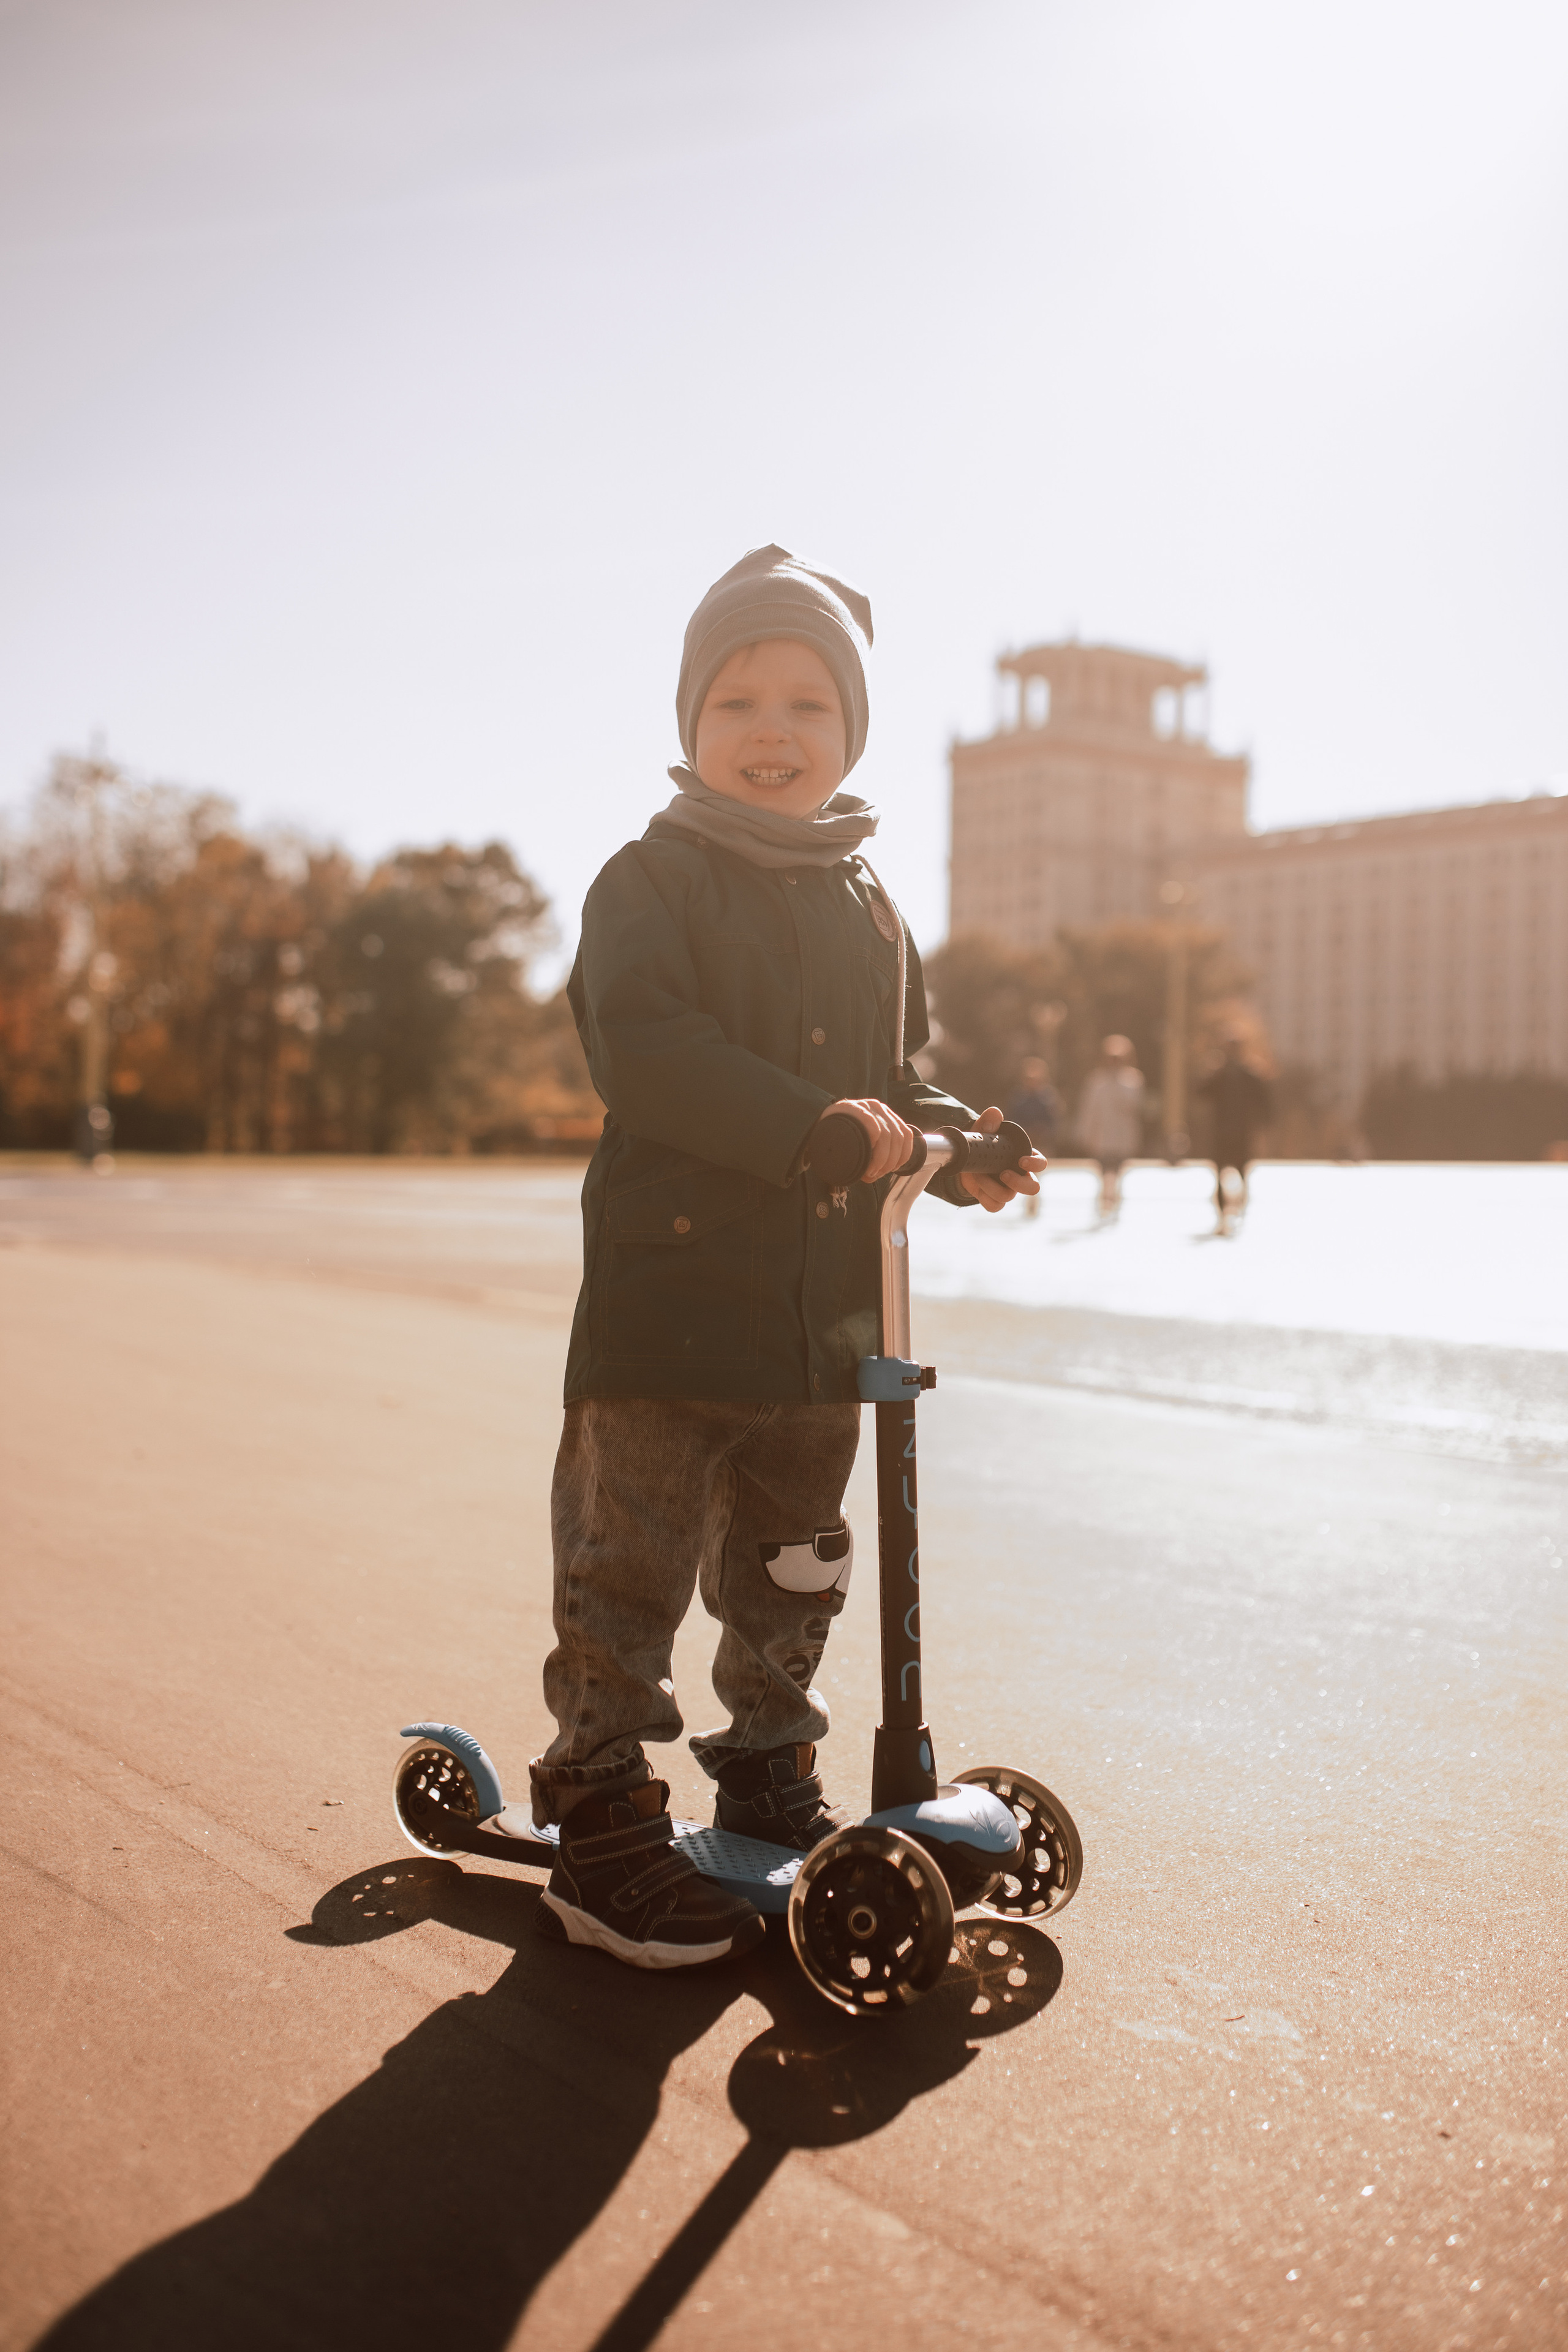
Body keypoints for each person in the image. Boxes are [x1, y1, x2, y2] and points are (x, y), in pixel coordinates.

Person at [518, 545, 1043, 1972]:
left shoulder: (868, 904)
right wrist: (806, 1125)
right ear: (690, 721)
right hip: (670, 1315)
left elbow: (896, 1082)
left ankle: (765, 1765)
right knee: (627, 1566)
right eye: (737, 700)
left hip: (822, 1325)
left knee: (794, 1567)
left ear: (851, 732)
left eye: (809, 704)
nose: (771, 729)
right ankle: (600, 1807)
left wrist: (959, 1143)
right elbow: (649, 1050)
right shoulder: (652, 880)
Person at [1197, 1038, 1274, 1233]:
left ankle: (1239, 1207)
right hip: (1223, 1132)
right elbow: (1201, 1092)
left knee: (1242, 1172)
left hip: (1242, 1133)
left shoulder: (1250, 1074)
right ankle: (1224, 1214)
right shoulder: (1220, 1074)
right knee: (1220, 1174)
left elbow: (1264, 1103)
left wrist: (1264, 1129)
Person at [1076, 1035, 1145, 1218]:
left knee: (1119, 1168)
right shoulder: (1097, 1081)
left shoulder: (1133, 1080)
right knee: (1105, 1168)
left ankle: (1114, 1196)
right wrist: (1085, 1134)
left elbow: (1135, 1108)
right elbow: (1089, 1111)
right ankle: (1107, 1197)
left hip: (1123, 1137)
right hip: (1103, 1136)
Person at [1004, 1056, 1061, 1219]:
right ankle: (1027, 1201)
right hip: (1023, 1141)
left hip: (1041, 1142)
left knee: (1038, 1171)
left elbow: (1053, 1121)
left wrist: (1044, 1132)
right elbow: (1012, 1120)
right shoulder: (1019, 1098)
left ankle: (1034, 1201)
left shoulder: (1048, 1098)